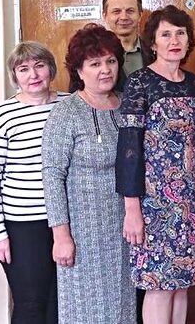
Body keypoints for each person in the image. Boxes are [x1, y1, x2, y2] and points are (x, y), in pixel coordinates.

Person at [116, 5, 195, 324]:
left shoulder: (194, 83)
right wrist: (132, 209)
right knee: (158, 285)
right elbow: (128, 148)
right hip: (153, 202)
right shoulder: (140, 83)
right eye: (166, 34)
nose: (174, 40)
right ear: (153, 43)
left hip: (190, 200)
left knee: (182, 283)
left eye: (180, 33)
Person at [41, 24, 136, 323]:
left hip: (126, 227)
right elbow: (52, 175)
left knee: (124, 306)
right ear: (79, 71)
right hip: (83, 232)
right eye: (95, 64)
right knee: (85, 310)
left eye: (110, 61)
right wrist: (61, 236)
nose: (105, 70)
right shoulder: (66, 112)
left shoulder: (128, 106)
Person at [0, 41, 68, 324]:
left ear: (51, 69)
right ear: (15, 76)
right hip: (23, 225)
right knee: (31, 303)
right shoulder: (2, 116)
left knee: (62, 303)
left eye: (40, 66)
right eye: (24, 69)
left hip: (68, 222)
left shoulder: (70, 105)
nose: (33, 75)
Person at [102, 0, 148, 92]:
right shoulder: (90, 56)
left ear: (140, 15)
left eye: (130, 11)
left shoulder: (156, 52)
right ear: (105, 16)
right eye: (116, 11)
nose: (124, 17)